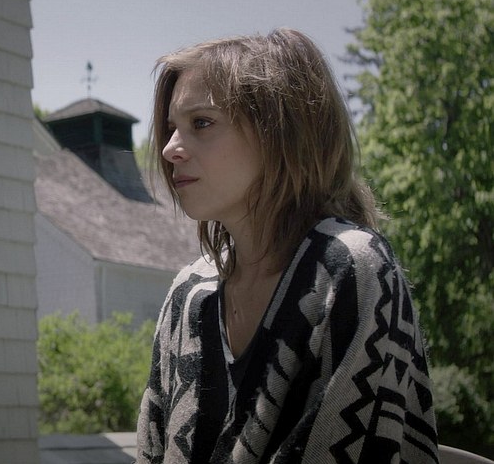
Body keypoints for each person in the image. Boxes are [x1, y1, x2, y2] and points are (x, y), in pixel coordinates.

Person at [135, 28, 439, 463]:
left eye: (201, 123)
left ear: (279, 132)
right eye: (171, 129)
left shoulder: (351, 269)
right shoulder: (189, 292)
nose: (169, 150)